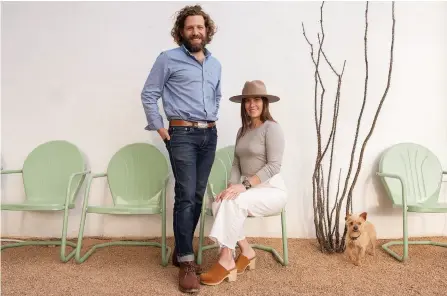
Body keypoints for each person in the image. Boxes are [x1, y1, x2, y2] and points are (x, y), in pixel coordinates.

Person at [140, 4, 222, 293]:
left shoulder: (215, 64)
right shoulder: (168, 59)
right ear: (181, 32)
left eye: (200, 27)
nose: (196, 31)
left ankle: (180, 249)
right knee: (186, 194)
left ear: (207, 30)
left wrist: (212, 119)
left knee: (197, 194)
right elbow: (149, 94)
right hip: (182, 134)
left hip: (208, 136)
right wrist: (162, 129)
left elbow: (217, 96)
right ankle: (187, 261)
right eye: (190, 27)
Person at [200, 80, 287, 286]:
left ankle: (226, 258)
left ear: (265, 102)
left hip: (271, 189)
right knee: (219, 202)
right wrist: (231, 186)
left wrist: (244, 186)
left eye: (256, 99)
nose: (252, 104)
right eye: (247, 101)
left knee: (233, 203)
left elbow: (274, 166)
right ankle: (247, 251)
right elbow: (236, 164)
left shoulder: (272, 128)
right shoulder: (243, 131)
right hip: (250, 190)